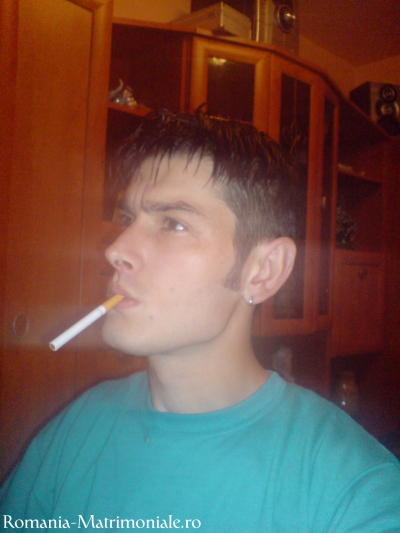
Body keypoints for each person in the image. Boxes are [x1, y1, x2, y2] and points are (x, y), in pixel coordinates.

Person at [1, 110, 399, 532]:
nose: (116, 249)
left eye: (174, 224)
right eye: (127, 219)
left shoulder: (352, 490)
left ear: (263, 271)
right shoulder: (78, 426)